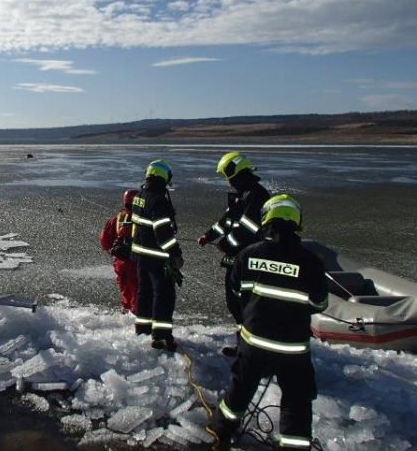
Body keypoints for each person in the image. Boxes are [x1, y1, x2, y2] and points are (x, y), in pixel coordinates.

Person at [209, 194, 328, 451]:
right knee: (296, 401)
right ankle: (294, 445)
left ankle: (221, 431)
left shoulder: (248, 254)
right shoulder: (311, 262)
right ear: (297, 223)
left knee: (239, 391)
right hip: (292, 349)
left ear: (266, 219)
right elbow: (320, 304)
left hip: (254, 342)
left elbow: (238, 291)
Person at [197, 151, 269, 356]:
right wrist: (208, 236)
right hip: (238, 257)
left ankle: (252, 348)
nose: (228, 182)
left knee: (245, 302)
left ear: (236, 173)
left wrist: (226, 244)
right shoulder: (242, 195)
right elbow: (226, 221)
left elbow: (248, 228)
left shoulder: (257, 195)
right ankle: (244, 346)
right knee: (235, 302)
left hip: (251, 258)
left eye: (228, 177)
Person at [130, 159, 183, 351]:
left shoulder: (140, 195)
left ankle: (142, 328)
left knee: (144, 292)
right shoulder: (158, 200)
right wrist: (175, 254)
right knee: (164, 295)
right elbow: (163, 233)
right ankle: (161, 337)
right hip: (156, 256)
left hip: (140, 255)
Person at [99, 189, 139, 314]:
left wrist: (111, 250)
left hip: (120, 263)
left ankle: (126, 313)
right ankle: (137, 318)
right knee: (137, 292)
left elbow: (104, 239)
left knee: (125, 290)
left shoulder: (117, 219)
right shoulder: (143, 220)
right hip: (136, 263)